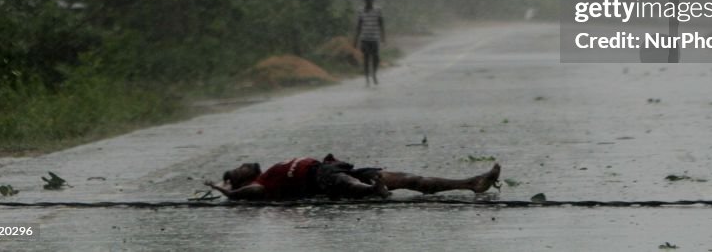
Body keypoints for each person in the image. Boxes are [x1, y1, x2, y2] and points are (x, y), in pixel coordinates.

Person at [206, 153, 501, 201]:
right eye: (239, 169)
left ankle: (471, 182)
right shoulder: (259, 185)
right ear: (240, 179)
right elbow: (240, 196)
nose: (245, 165)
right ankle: (372, 192)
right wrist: (223, 188)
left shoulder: (269, 169)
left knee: (411, 178)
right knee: (348, 186)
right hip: (319, 179)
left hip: (334, 167)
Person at [354, 0, 385, 86]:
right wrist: (355, 40)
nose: (369, 2)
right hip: (364, 38)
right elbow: (359, 26)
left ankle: (374, 73)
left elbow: (381, 24)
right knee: (366, 58)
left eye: (370, 0)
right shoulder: (361, 11)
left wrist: (383, 36)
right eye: (367, 1)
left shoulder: (378, 10)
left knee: (376, 57)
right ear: (365, 2)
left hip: (374, 38)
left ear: (373, 1)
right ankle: (367, 78)